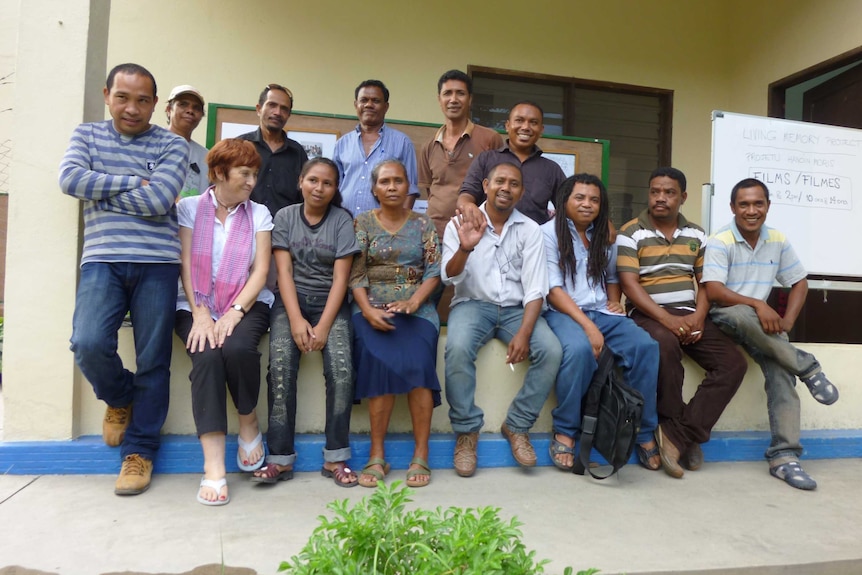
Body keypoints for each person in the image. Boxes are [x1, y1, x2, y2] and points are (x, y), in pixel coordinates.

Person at [59, 63, 190, 496]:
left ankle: (140, 452)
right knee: (89, 341)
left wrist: (103, 190)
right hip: (102, 258)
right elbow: (70, 179)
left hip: (158, 263)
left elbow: (159, 201)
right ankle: (119, 397)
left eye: (142, 100)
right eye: (123, 97)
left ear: (155, 104)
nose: (132, 108)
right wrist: (132, 179)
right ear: (107, 95)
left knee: (154, 360)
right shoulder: (86, 135)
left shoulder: (172, 144)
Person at [703, 178, 839, 490]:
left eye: (758, 204)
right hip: (725, 317)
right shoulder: (720, 240)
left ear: (767, 205)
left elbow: (800, 281)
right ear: (732, 208)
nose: (751, 210)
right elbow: (714, 291)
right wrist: (757, 304)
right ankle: (808, 366)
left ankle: (785, 457)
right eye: (744, 204)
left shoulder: (777, 238)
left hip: (759, 327)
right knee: (742, 313)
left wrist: (788, 321)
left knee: (781, 371)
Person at [616, 167, 746, 478]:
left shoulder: (698, 234)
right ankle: (675, 429)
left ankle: (680, 434)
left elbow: (705, 283)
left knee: (732, 364)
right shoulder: (631, 232)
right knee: (664, 345)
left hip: (690, 311)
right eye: (655, 192)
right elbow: (629, 285)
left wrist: (698, 317)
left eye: (669, 192)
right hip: (648, 313)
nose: (660, 198)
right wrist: (667, 320)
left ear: (683, 197)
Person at [442, 162, 562, 477]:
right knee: (456, 349)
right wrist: (466, 248)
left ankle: (518, 425)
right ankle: (467, 432)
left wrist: (523, 333)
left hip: (516, 309)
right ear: (485, 185)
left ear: (521, 191)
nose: (506, 188)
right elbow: (448, 276)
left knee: (551, 350)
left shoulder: (531, 230)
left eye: (513, 184)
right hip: (473, 304)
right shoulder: (459, 223)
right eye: (500, 181)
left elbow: (536, 288)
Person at [174, 138, 273, 505]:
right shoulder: (188, 209)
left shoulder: (260, 213)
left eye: (254, 175)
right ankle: (214, 468)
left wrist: (234, 311)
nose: (251, 182)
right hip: (193, 303)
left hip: (247, 302)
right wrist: (201, 312)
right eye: (244, 174)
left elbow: (261, 271)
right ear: (219, 173)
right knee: (208, 355)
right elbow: (185, 262)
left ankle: (248, 420)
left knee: (236, 347)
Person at [541, 174, 660, 472]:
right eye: (579, 198)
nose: (587, 204)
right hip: (563, 312)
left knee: (645, 347)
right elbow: (553, 290)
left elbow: (610, 276)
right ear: (565, 200)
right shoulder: (546, 234)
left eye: (594, 199)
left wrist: (614, 301)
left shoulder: (604, 237)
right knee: (579, 350)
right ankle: (566, 432)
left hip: (601, 312)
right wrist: (588, 326)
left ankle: (642, 432)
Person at [254, 158, 360, 487]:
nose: (319, 188)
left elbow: (341, 279)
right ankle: (280, 459)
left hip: (331, 304)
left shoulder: (342, 220)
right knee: (282, 367)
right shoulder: (285, 217)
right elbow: (283, 272)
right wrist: (297, 320)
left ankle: (336, 457)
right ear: (300, 181)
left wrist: (325, 325)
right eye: (313, 180)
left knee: (342, 370)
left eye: (327, 183)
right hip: (291, 302)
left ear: (335, 188)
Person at [349, 159, 441, 488]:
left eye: (398, 181)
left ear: (408, 187)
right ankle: (377, 454)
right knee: (378, 360)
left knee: (418, 361)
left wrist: (414, 302)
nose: (391, 187)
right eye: (384, 181)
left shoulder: (423, 224)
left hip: (418, 309)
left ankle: (421, 452)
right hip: (371, 306)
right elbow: (355, 271)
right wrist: (368, 310)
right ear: (374, 189)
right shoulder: (362, 223)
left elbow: (434, 270)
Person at [418, 70, 503, 240]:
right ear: (439, 99)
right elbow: (430, 190)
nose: (453, 99)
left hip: (477, 232)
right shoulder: (429, 146)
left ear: (470, 99)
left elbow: (499, 185)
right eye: (447, 93)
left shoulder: (490, 139)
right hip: (435, 235)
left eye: (460, 93)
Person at [457, 101, 565, 226]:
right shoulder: (486, 159)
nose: (525, 127)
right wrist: (468, 206)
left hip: (533, 242)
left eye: (533, 123)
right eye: (519, 120)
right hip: (487, 237)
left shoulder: (551, 169)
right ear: (507, 125)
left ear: (541, 130)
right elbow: (466, 194)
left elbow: (566, 206)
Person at [333, 80, 420, 216]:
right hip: (345, 225)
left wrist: (399, 227)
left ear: (386, 107)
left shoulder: (402, 143)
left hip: (383, 228)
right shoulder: (342, 143)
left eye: (375, 101)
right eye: (364, 100)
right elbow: (334, 187)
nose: (369, 105)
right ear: (356, 105)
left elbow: (410, 191)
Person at [237, 84, 308, 216]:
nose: (277, 112)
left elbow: (305, 197)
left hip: (284, 232)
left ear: (288, 115)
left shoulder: (297, 153)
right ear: (259, 109)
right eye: (272, 105)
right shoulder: (240, 146)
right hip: (243, 228)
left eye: (284, 109)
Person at [165, 84, 209, 198]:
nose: (190, 110)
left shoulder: (207, 157)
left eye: (196, 108)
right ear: (169, 110)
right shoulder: (152, 144)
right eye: (183, 104)